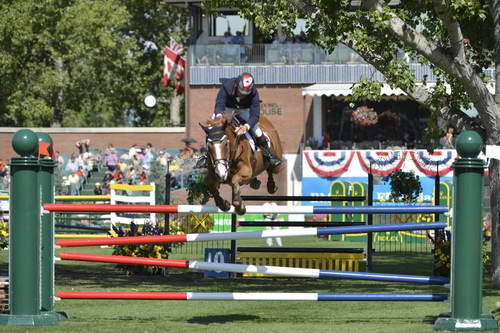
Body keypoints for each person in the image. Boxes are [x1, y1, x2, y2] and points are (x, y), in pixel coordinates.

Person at [196, 73, 282, 169]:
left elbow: (255, 115)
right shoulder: (227, 86)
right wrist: (219, 118)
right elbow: (219, 104)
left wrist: (246, 127)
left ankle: (268, 156)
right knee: (212, 128)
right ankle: (206, 156)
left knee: (257, 131)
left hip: (244, 110)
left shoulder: (254, 92)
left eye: (245, 94)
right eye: (240, 92)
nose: (242, 96)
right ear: (237, 85)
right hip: (226, 109)